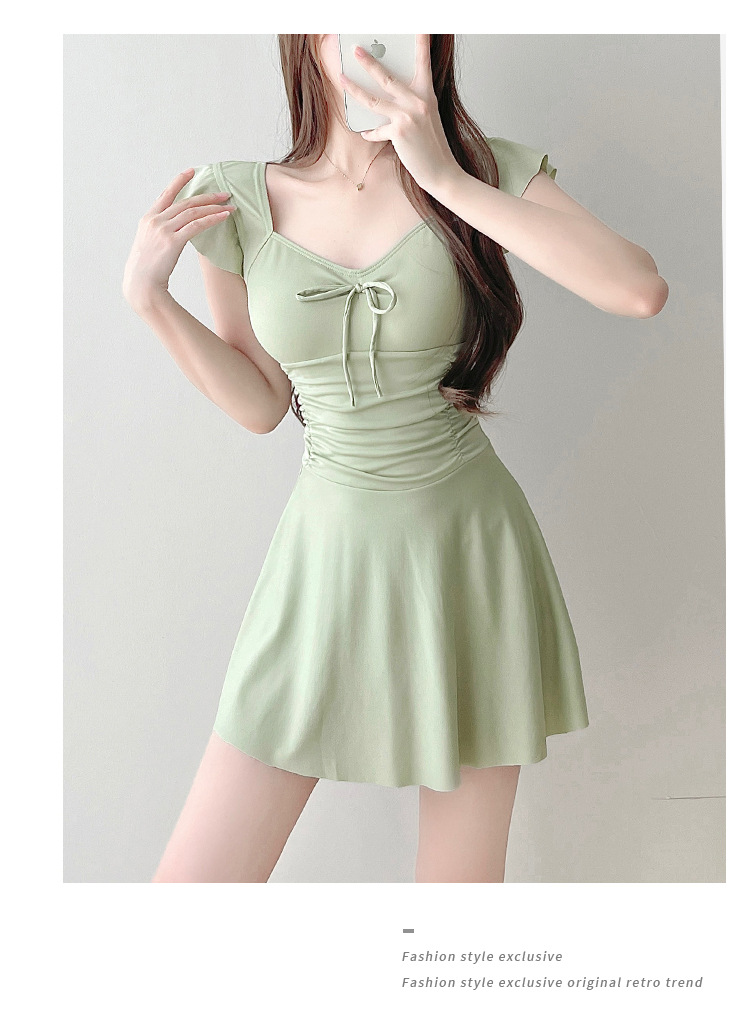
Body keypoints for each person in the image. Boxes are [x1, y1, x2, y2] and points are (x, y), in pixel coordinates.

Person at [122, 34, 668, 884]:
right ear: (304, 33)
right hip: (324, 559)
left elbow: (638, 289)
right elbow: (262, 404)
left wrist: (446, 178)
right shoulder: (235, 198)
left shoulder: (482, 171)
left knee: (454, 908)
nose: (373, 33)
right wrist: (149, 299)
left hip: (468, 550)